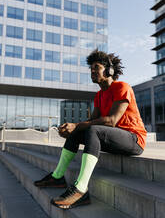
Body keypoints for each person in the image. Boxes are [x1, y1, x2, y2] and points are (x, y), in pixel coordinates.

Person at [34, 49, 147, 209]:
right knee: (80, 130)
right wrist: (71, 128)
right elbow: (92, 121)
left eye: (96, 67)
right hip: (114, 139)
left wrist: (78, 125)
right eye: (91, 69)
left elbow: (111, 121)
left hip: (134, 140)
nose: (92, 71)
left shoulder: (122, 87)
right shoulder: (100, 95)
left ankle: (81, 189)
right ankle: (57, 177)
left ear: (109, 70)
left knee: (92, 129)